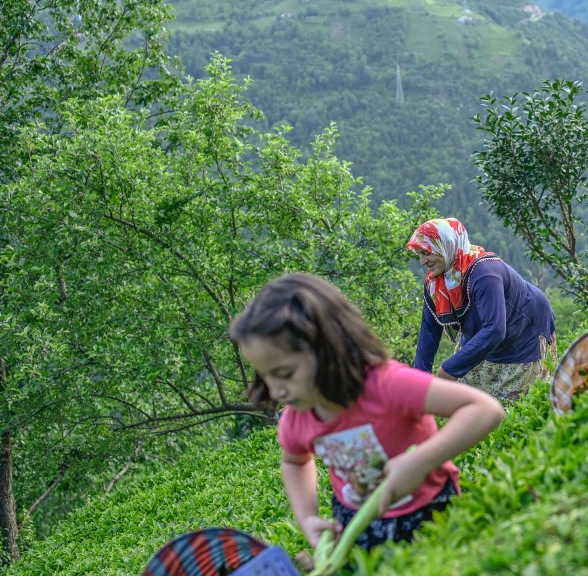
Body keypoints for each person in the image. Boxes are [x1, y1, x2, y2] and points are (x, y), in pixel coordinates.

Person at [228, 272, 505, 555]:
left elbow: (483, 409)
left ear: (327, 349)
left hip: (428, 507)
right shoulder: (298, 417)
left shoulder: (386, 385)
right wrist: (308, 518)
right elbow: (294, 462)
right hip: (354, 519)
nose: (276, 391)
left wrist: (419, 462)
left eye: (285, 374)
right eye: (265, 377)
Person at [406, 217, 557, 400]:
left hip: (524, 329)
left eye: (427, 253)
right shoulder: (435, 283)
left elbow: (495, 330)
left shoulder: (485, 273)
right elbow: (429, 331)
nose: (422, 261)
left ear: (446, 246)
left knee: (512, 405)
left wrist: (449, 369)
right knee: (465, 400)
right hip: (483, 331)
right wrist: (419, 382)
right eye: (419, 254)